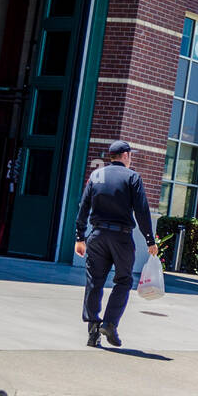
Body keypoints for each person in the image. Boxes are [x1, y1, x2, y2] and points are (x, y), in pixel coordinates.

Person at [74, 140, 158, 348]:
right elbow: (142, 211)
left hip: (97, 235)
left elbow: (83, 207)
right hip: (121, 237)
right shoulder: (132, 177)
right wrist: (150, 240)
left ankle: (93, 330)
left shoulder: (97, 175)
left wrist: (79, 237)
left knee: (94, 281)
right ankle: (110, 323)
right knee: (123, 280)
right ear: (126, 155)